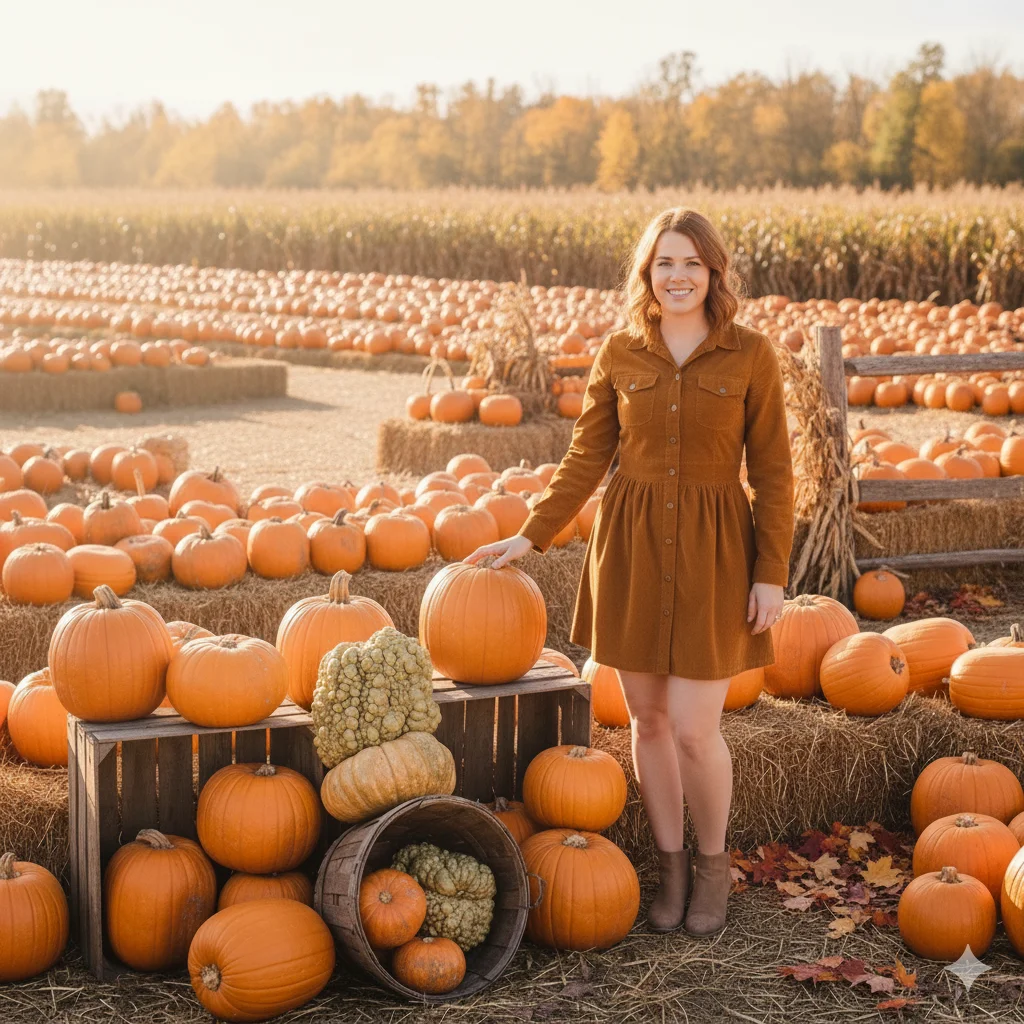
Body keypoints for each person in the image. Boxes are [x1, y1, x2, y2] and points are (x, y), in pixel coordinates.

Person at [463, 207, 795, 936]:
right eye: (664, 263)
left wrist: (770, 571)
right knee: (647, 720)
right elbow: (586, 456)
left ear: (713, 273)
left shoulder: (749, 354)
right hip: (634, 551)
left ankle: (713, 867)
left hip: (715, 554)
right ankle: (670, 871)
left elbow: (774, 471)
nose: (678, 276)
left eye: (692, 263)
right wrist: (530, 535)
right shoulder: (620, 352)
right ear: (647, 273)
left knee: (694, 729)